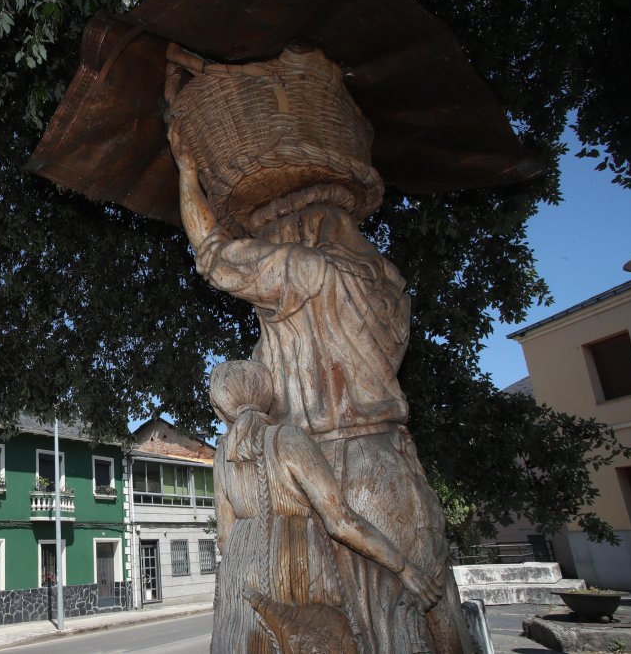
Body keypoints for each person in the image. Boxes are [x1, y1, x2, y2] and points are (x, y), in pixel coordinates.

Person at [171, 122, 471, 653]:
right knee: (429, 613)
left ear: (292, 230)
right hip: (394, 459)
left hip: (327, 463)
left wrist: (187, 169)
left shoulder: (300, 269)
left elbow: (211, 251)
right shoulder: (381, 284)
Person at [209, 360, 442, 653]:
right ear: (266, 395)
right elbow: (340, 521)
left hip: (239, 578)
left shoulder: (222, 458)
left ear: (221, 409)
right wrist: (404, 567)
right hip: (292, 567)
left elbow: (225, 539)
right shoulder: (287, 439)